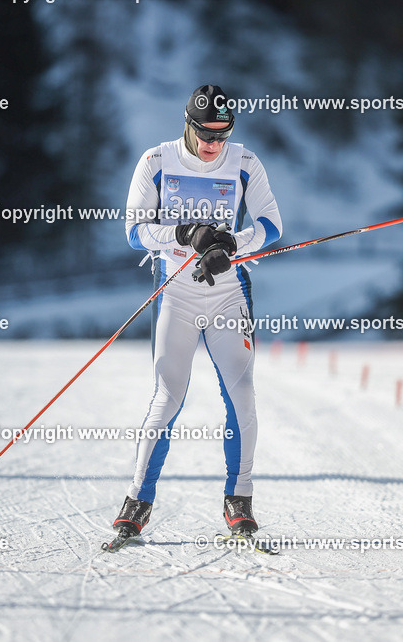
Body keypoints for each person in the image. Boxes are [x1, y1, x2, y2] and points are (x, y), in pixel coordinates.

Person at [112, 85, 283, 540]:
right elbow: (134, 231)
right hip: (176, 292)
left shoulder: (245, 162)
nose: (213, 144)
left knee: (242, 393)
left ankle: (239, 498)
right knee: (168, 396)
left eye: (222, 136)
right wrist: (185, 233)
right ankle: (137, 500)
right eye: (206, 135)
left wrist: (232, 244)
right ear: (187, 125)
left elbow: (270, 224)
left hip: (229, 293)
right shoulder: (156, 161)